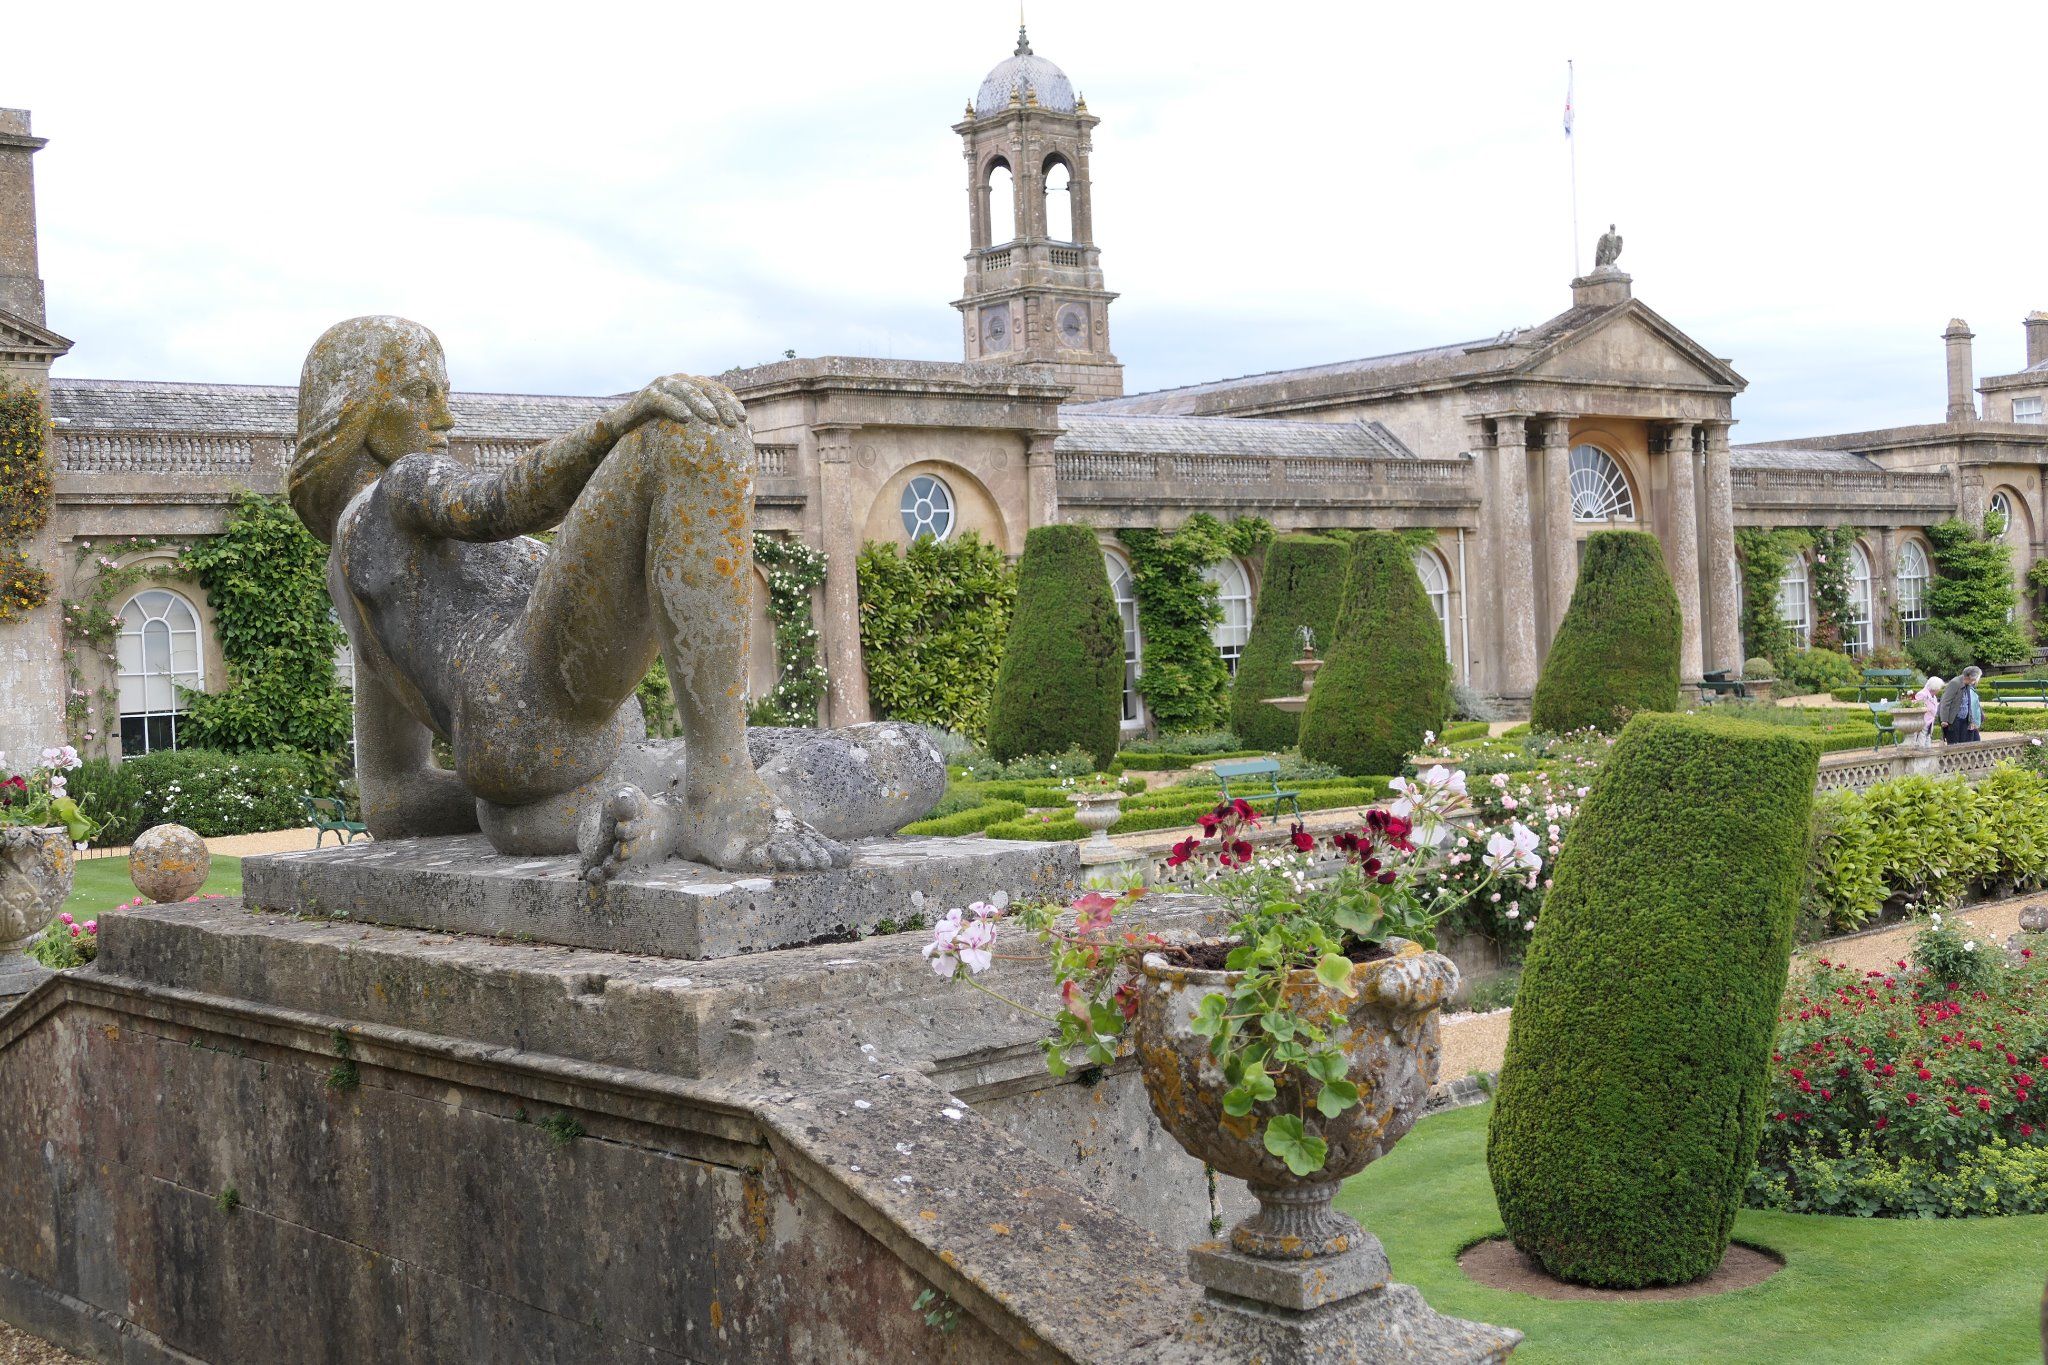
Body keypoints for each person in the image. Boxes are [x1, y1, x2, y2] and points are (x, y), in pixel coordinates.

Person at [293, 316, 849, 879]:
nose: (445, 416)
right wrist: (618, 425)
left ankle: (663, 821)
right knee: (693, 436)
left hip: (530, 764)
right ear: (355, 412)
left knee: (899, 761)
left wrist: (500, 808)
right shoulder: (402, 484)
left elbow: (394, 800)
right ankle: (721, 792)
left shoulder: (353, 575)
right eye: (419, 392)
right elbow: (497, 502)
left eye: (446, 392)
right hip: (530, 701)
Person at [1937, 666, 1983, 745]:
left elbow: (1969, 704)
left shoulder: (1968, 685)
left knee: (1964, 745)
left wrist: (1971, 720)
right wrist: (1944, 720)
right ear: (1970, 677)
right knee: (1953, 745)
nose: (1976, 681)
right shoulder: (1955, 683)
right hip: (1954, 720)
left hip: (1964, 720)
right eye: (1976, 678)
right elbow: (1945, 701)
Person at [1911, 675, 1944, 747]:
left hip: (1929, 722)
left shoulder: (1934, 696)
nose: (1939, 690)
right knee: (1921, 743)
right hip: (1922, 723)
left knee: (1928, 741)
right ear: (1935, 687)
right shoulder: (1922, 694)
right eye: (1939, 688)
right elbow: (1915, 708)